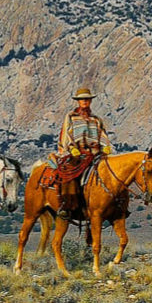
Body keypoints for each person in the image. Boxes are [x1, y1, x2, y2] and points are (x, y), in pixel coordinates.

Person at [49, 87, 113, 219]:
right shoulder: (71, 117)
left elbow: (102, 134)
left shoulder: (96, 119)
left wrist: (106, 146)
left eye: (87, 99)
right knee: (69, 175)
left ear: (90, 101)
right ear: (78, 101)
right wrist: (71, 148)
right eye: (82, 99)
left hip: (95, 153)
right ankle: (66, 206)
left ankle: (114, 206)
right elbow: (66, 134)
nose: (84, 101)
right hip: (76, 153)